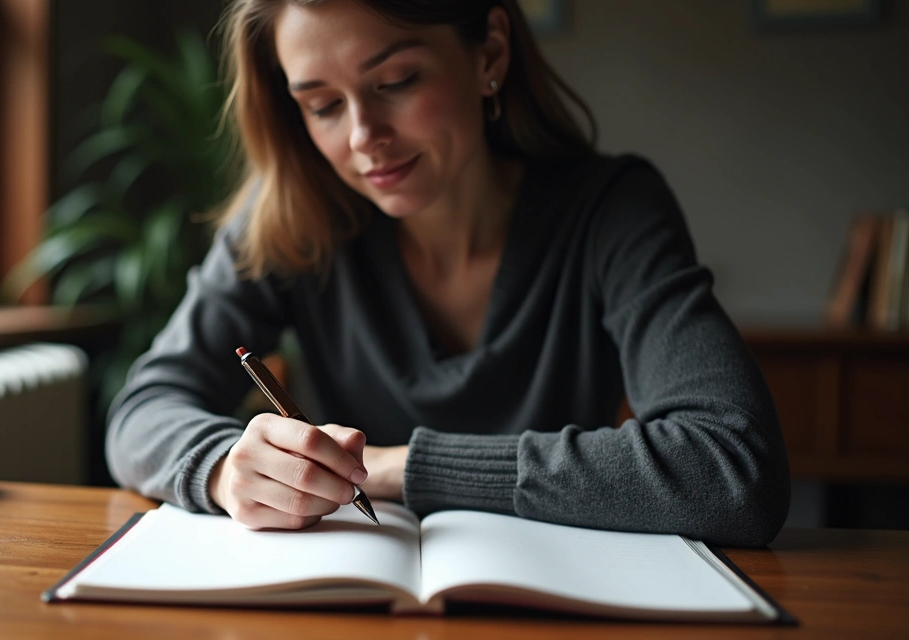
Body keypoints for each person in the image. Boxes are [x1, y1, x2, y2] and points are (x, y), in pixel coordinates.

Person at [105, 0, 791, 547]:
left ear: (489, 51)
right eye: (321, 105)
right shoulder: (288, 218)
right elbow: (142, 410)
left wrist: (394, 468)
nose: (362, 136)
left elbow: (731, 466)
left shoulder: (610, 211)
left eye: (396, 81)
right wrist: (225, 469)